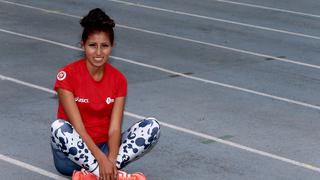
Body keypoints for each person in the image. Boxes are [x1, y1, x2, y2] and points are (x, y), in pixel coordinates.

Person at [50, 8, 160, 180]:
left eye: (105, 46)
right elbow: (78, 127)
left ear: (112, 46)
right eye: (93, 45)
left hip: (105, 150)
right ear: (83, 45)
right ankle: (110, 174)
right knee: (58, 127)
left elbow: (115, 128)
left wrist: (110, 158)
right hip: (72, 155)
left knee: (152, 127)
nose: (99, 53)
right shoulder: (67, 76)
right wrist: (101, 160)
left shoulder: (119, 80)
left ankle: (94, 175)